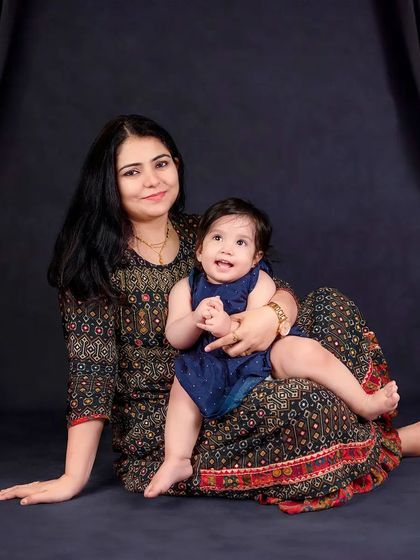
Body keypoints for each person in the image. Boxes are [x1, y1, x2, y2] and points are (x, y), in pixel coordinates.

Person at [0, 115, 419, 514]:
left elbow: (278, 286)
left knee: (329, 304)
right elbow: (91, 374)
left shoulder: (202, 230)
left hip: (245, 371)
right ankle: (390, 441)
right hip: (178, 416)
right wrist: (73, 477)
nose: (152, 180)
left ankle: (360, 435)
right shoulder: (93, 266)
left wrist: (270, 315)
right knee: (309, 403)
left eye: (161, 164)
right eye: (131, 172)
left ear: (176, 165)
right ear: (108, 184)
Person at [144, 198, 400, 497]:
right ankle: (177, 458)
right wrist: (194, 318)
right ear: (200, 250)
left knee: (301, 350)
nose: (226, 248)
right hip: (209, 362)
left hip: (261, 356)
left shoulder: (259, 281)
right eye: (217, 238)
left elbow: (255, 333)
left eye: (240, 242)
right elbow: (176, 337)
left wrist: (227, 326)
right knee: (183, 384)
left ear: (255, 257)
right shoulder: (184, 289)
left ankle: (363, 402)